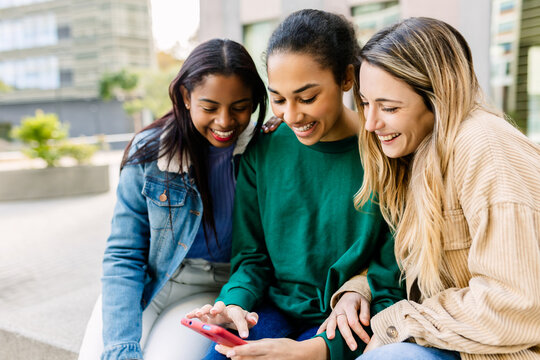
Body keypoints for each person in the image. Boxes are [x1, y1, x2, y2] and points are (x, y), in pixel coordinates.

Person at [188, 9, 405, 360]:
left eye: (306, 98)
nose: (291, 115)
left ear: (347, 78)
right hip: (270, 310)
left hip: (350, 321)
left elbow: (391, 279)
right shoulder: (264, 149)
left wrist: (315, 349)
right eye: (278, 99)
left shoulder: (387, 154)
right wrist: (233, 303)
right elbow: (251, 257)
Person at [321, 17, 540, 360]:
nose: (371, 123)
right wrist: (359, 290)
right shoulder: (419, 152)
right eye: (365, 103)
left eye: (389, 107)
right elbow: (408, 268)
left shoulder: (485, 148)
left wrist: (398, 324)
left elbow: (516, 303)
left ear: (437, 97)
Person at [77, 38, 269, 360]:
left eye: (240, 107)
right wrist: (121, 347)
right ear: (185, 96)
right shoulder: (149, 152)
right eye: (209, 107)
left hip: (209, 292)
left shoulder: (263, 153)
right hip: (148, 281)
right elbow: (124, 255)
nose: (224, 122)